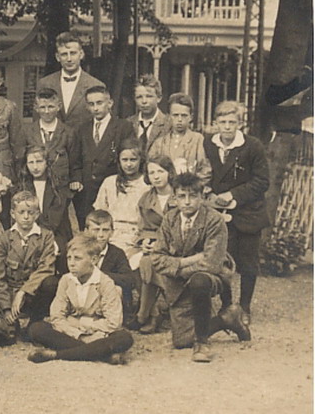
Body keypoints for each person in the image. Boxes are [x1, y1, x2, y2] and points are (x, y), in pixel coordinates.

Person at [150, 173, 251, 362]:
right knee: (181, 341)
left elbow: (211, 263)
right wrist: (185, 262)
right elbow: (156, 258)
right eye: (182, 196)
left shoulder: (214, 219)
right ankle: (227, 319)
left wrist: (175, 267)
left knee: (199, 280)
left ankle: (202, 343)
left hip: (213, 276)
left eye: (193, 196)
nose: (187, 202)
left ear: (202, 196)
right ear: (174, 198)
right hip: (179, 282)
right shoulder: (170, 219)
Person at [203, 100, 270, 324]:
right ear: (215, 123)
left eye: (232, 122)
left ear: (240, 124)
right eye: (223, 122)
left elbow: (262, 181)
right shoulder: (208, 144)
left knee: (248, 263)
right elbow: (203, 172)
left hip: (249, 212)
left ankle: (244, 307)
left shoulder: (252, 146)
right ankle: (226, 305)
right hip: (219, 213)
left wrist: (233, 195)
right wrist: (208, 192)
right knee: (223, 261)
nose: (227, 127)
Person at [27, 235, 134, 364]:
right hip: (73, 333)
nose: (71, 263)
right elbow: (57, 316)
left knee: (124, 338)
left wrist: (81, 324)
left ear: (93, 260)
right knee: (37, 328)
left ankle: (56, 354)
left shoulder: (105, 283)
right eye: (69, 258)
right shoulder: (66, 280)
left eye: (77, 258)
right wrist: (78, 335)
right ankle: (104, 355)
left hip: (99, 333)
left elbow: (113, 323)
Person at [0, 191, 58, 341]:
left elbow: (46, 269)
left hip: (32, 293)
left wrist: (23, 291)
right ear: (13, 214)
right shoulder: (4, 238)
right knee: (8, 335)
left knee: (51, 283)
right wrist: (6, 308)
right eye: (21, 212)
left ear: (37, 214)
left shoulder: (46, 236)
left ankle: (34, 321)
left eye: (30, 212)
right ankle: (9, 320)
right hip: (9, 293)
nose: (26, 217)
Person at [24, 88, 81, 236]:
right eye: (42, 107)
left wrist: (75, 180)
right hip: (36, 184)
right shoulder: (28, 131)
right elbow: (22, 160)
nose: (47, 111)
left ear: (58, 106)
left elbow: (75, 161)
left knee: (60, 226)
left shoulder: (68, 132)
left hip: (59, 190)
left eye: (50, 107)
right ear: (36, 108)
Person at [74, 85, 135, 223]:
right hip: (86, 191)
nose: (95, 108)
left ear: (110, 103)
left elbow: (128, 156)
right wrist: (77, 179)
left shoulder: (123, 127)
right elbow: (75, 160)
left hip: (112, 188)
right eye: (91, 104)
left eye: (99, 103)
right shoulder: (82, 129)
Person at [135, 154, 177, 333]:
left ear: (169, 172)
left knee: (148, 263)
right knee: (142, 261)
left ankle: (146, 314)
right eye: (152, 173)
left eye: (160, 171)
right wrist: (145, 241)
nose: (156, 176)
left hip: (177, 246)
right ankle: (154, 312)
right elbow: (144, 227)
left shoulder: (180, 196)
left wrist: (161, 243)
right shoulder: (146, 199)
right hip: (155, 246)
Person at [92, 139, 151, 267]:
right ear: (119, 160)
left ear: (141, 160)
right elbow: (99, 215)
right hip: (110, 236)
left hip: (135, 238)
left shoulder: (147, 185)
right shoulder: (109, 182)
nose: (129, 164)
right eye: (125, 160)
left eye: (133, 160)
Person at [36, 31, 104, 131]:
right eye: (64, 54)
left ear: (81, 54)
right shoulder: (45, 84)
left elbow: (101, 123)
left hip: (82, 140)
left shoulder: (95, 85)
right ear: (57, 57)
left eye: (73, 53)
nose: (69, 59)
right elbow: (37, 122)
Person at [148, 93, 211, 184]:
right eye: (175, 115)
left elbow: (205, 170)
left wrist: (192, 185)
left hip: (189, 188)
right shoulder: (160, 142)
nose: (180, 119)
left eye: (184, 115)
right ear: (169, 116)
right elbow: (151, 167)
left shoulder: (198, 139)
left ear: (191, 117)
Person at [84, 209, 137, 317]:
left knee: (117, 289)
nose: (101, 235)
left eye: (105, 230)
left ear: (112, 232)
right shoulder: (79, 252)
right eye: (96, 230)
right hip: (85, 297)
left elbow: (129, 280)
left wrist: (99, 275)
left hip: (108, 300)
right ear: (86, 231)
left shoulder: (117, 253)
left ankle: (110, 319)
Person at [18, 145, 73, 245]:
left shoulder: (58, 187)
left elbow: (53, 222)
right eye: (31, 162)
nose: (35, 167)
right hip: (28, 234)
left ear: (47, 163)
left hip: (56, 235)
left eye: (39, 161)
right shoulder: (23, 187)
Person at [127, 74, 171, 154]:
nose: (144, 101)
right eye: (139, 97)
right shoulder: (128, 124)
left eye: (149, 96)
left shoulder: (169, 124)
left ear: (159, 98)